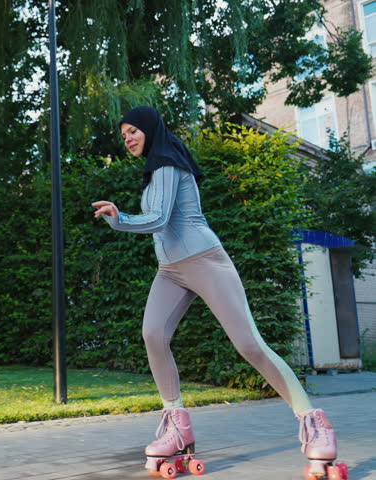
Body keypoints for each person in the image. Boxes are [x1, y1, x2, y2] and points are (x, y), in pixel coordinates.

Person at [91, 106, 345, 480]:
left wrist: (121, 218)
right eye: (124, 133)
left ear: (150, 129)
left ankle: (314, 423)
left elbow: (159, 219)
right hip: (170, 270)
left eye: (133, 131)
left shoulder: (167, 165)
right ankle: (176, 426)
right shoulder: (156, 170)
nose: (128, 138)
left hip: (205, 261)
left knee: (249, 345)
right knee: (153, 334)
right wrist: (123, 220)